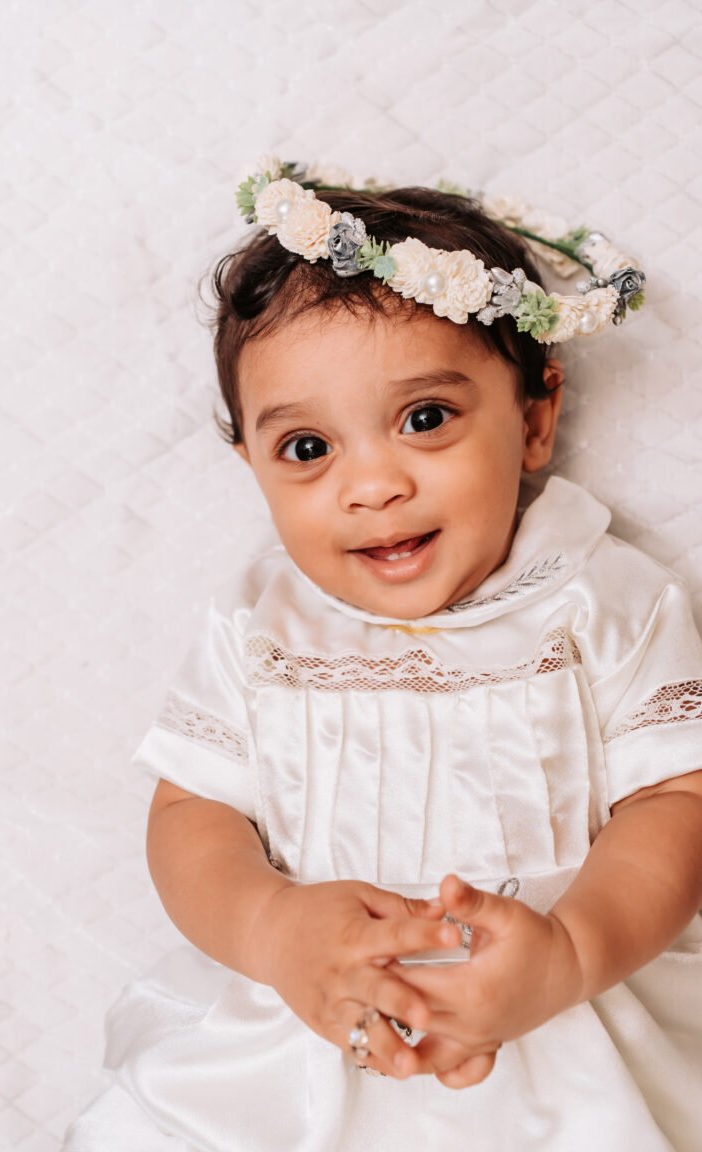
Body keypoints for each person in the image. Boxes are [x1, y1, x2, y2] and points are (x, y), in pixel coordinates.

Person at [64, 159, 702, 1151]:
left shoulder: (602, 599)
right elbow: (193, 813)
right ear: (253, 467)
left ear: (534, 420)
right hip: (311, 1020)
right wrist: (273, 931)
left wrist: (571, 954)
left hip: (558, 1015)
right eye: (308, 449)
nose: (372, 485)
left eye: (425, 420)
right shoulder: (261, 626)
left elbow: (676, 805)